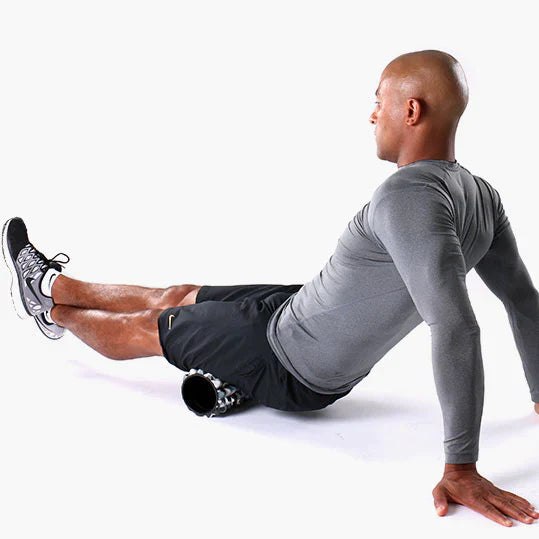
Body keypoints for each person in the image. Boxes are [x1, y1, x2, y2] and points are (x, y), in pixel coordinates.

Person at [2, 49, 538, 527]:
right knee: (177, 293)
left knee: (150, 327)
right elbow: (524, 302)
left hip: (285, 361)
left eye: (379, 101)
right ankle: (54, 281)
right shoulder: (481, 195)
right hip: (297, 308)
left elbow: (456, 326)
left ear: (411, 111)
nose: (373, 114)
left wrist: (461, 467)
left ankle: (47, 309)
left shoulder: (408, 197)